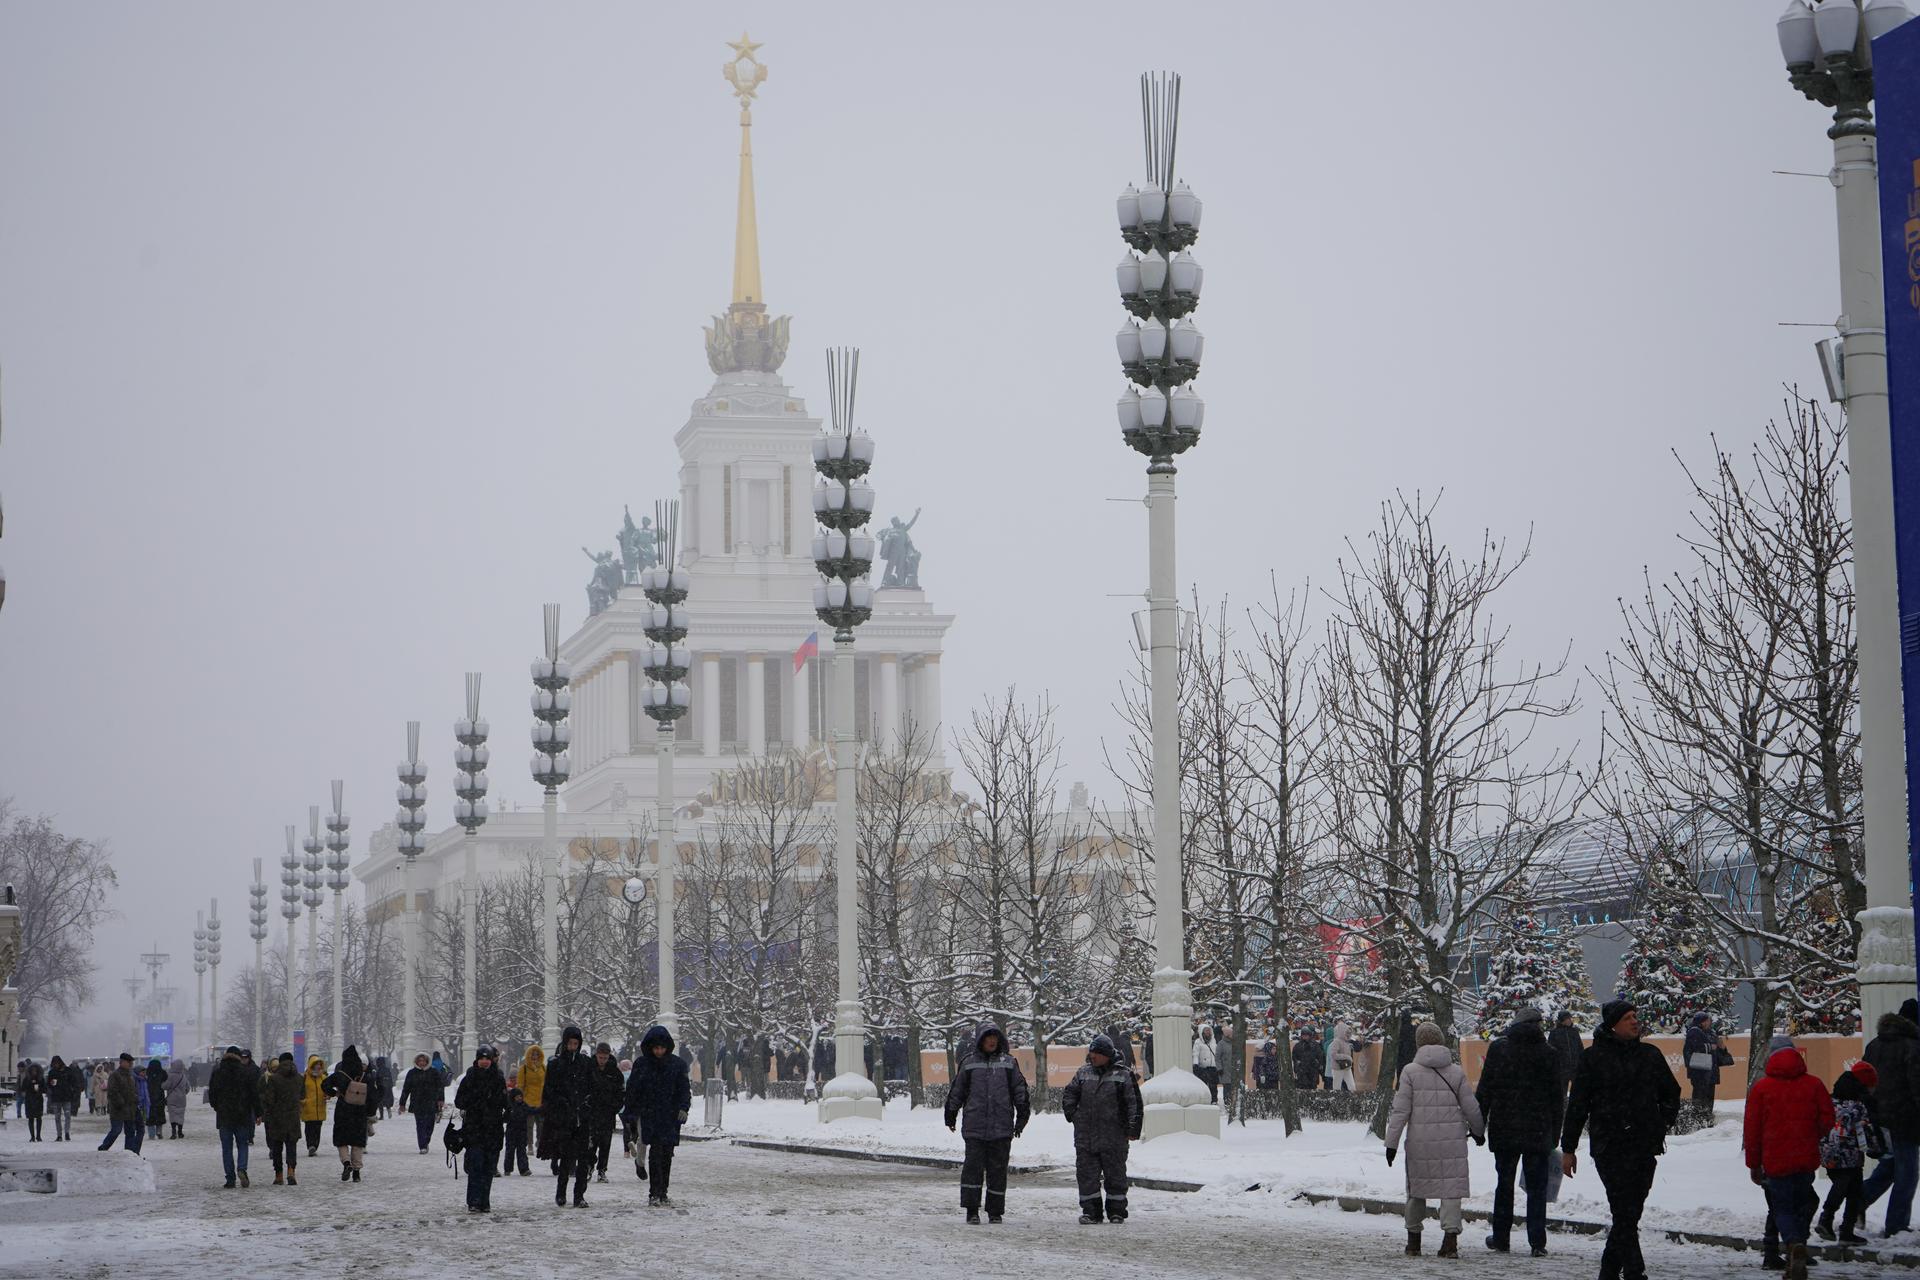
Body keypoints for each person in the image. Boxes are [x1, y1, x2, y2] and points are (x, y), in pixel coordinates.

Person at [1561, 998, 1681, 1280]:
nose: (1635, 1021)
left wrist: (1660, 1123)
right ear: (1613, 1024)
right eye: (1628, 1017)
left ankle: (1609, 1269)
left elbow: (1671, 1093)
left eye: (1635, 1016)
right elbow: (1578, 1105)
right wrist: (1568, 1148)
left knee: (1630, 1211)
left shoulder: (1650, 1055)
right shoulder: (1592, 1058)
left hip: (1643, 1145)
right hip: (1609, 1146)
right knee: (1623, 1208)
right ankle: (1635, 1272)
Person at [1385, 1022, 1485, 1258]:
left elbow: (1400, 1111)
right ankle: (1450, 1243)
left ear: (1419, 1043)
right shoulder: (1456, 1071)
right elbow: (1471, 1107)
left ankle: (1413, 1242)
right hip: (1453, 1142)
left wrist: (1391, 1144)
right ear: (1441, 1041)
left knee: (1417, 1190)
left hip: (1420, 1142)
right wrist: (1479, 1131)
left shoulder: (1410, 1072)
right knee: (1450, 1191)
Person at [1745, 1037, 1835, 1280]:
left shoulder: (1762, 1089)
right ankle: (1795, 1248)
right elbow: (1828, 1119)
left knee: (1781, 1207)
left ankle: (1793, 1245)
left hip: (1774, 1160)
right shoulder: (1814, 1085)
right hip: (1805, 1159)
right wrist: (1811, 1134)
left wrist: (1754, 1163)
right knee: (1803, 1202)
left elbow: (1752, 1130)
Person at [1474, 1006, 1561, 1258]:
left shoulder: (1499, 1049)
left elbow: (1485, 1090)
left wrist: (1478, 1126)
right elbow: (1557, 1099)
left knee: (1504, 1184)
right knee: (1536, 1188)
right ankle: (1537, 1241)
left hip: (1505, 1128)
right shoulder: (1549, 1054)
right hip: (1538, 1129)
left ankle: (1501, 1237)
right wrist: (1556, 1133)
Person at [944, 1022, 1031, 1225]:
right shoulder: (969, 1063)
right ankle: (972, 1210)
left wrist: (1022, 1117)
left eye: (995, 1037)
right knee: (972, 1170)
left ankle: (995, 1211)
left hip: (1001, 1127)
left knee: (998, 1171)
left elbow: (1020, 1091)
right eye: (987, 1037)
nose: (992, 1041)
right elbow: (958, 1091)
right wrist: (950, 1113)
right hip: (975, 1127)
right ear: (980, 1040)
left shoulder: (1009, 1063)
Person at [1060, 1033, 1142, 1224]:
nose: (1092, 1056)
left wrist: (1133, 1128)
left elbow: (1134, 1103)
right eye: (1091, 1053)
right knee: (1087, 1175)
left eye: (1096, 1053)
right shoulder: (1083, 1073)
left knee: (1115, 1175)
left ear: (1106, 1054)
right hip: (1085, 1136)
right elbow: (1069, 1094)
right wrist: (1073, 1114)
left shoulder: (1123, 1075)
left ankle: (1116, 1211)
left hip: (1114, 1136)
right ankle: (1091, 1211)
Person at [1861, 999, 1920, 1236]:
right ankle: (1896, 1225)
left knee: (1889, 1168)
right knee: (1907, 1173)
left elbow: (1864, 1079)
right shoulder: (1913, 1047)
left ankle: (1855, 1206)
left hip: (1880, 1117)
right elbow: (1917, 1086)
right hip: (1905, 1119)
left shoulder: (1875, 1044)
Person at [623, 1023, 692, 1207]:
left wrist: (684, 1107)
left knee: (667, 1154)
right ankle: (655, 1192)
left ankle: (663, 1191)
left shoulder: (677, 1065)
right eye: (656, 1048)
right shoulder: (642, 1065)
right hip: (650, 1114)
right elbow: (633, 1091)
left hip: (670, 1116)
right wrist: (630, 1113)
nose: (659, 1051)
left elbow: (684, 1090)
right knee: (655, 1153)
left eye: (662, 1048)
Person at [1817, 1061, 1881, 1246]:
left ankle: (1837, 1226)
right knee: (1850, 1188)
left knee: (1846, 1187)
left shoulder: (1831, 1101)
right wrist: (1875, 1149)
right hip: (1849, 1155)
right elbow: (1865, 1132)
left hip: (1827, 1152)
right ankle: (1834, 1223)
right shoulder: (1859, 1106)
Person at [542, 1026, 599, 1207]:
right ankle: (561, 1192)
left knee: (583, 1158)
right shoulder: (556, 1064)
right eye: (570, 1043)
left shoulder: (585, 1063)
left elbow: (592, 1086)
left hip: (582, 1116)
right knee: (566, 1157)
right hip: (564, 1117)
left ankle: (579, 1195)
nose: (573, 1047)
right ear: (565, 1043)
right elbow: (550, 1091)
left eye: (576, 1043)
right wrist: (561, 1104)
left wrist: (587, 1102)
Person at [455, 1045, 509, 1213]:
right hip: (475, 1128)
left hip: (493, 1128)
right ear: (477, 1060)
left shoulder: (498, 1077)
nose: (485, 1061)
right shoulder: (470, 1077)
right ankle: (473, 1200)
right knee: (476, 1165)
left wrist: (505, 1107)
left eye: (487, 1058)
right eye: (482, 1058)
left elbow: (504, 1101)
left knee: (489, 1167)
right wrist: (475, 1101)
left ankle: (485, 1201)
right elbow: (459, 1101)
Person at [208, 1045, 258, 1188]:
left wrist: (217, 1106)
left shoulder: (218, 1072)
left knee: (227, 1148)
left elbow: (212, 1093)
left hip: (224, 1115)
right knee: (243, 1144)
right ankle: (242, 1168)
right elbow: (253, 1094)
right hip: (242, 1114)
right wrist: (257, 1111)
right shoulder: (245, 1072)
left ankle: (230, 1178)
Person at [324, 1044, 374, 1182]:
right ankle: (357, 1173)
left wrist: (334, 1093)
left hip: (343, 1111)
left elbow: (324, 1084)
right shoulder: (365, 1076)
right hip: (359, 1111)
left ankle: (346, 1163)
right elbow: (372, 1095)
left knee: (342, 1140)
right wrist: (370, 1111)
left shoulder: (340, 1075)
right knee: (357, 1142)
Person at [258, 1052, 303, 1186]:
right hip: (293, 1117)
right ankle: (291, 1171)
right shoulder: (299, 1078)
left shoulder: (273, 1079)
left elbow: (269, 1099)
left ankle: (279, 1175)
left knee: (277, 1147)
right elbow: (302, 1095)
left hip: (277, 1117)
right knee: (291, 1146)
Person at [589, 1042, 625, 1183]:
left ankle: (602, 1170)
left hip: (608, 1113)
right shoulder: (589, 1069)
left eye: (605, 1057)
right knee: (591, 1143)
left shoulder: (615, 1073)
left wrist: (615, 1107)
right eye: (600, 1057)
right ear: (596, 1055)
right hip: (592, 1112)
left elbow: (621, 1093)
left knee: (605, 1143)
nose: (602, 1060)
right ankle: (589, 1165)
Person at [398, 1052, 444, 1154]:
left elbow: (440, 1087)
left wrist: (441, 1099)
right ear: (416, 1062)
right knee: (420, 1125)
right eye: (420, 1061)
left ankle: (426, 1140)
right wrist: (402, 1103)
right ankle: (422, 1145)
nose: (422, 1063)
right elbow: (406, 1089)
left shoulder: (433, 1072)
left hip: (431, 1102)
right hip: (417, 1103)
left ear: (427, 1061)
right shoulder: (412, 1073)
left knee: (430, 1125)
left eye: (423, 1061)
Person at [1683, 1011, 1724, 1122]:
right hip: (1700, 1071)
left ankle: (1707, 1117)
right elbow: (1696, 1048)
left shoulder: (1708, 1032)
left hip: (1708, 1070)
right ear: (1702, 1021)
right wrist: (1711, 1047)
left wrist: (1720, 1046)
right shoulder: (1694, 1032)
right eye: (1707, 1021)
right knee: (1700, 1095)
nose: (1709, 1022)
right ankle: (1699, 1119)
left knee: (1708, 1095)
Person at [100, 1053, 141, 1151]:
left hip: (130, 1109)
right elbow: (113, 1092)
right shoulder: (115, 1075)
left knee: (130, 1131)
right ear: (121, 1062)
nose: (130, 1064)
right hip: (118, 1109)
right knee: (116, 1130)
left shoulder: (130, 1075)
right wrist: (121, 1103)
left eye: (131, 1062)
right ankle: (104, 1147)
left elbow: (133, 1090)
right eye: (128, 1062)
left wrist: (135, 1099)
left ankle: (129, 1152)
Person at [518, 1043, 547, 1167]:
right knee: (529, 1126)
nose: (534, 1057)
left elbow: (546, 1084)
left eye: (536, 1055)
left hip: (540, 1101)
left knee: (541, 1125)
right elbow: (520, 1085)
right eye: (532, 1055)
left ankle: (539, 1142)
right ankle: (529, 1145)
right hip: (528, 1101)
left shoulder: (543, 1068)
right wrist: (520, 1098)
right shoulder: (523, 1069)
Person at [1548, 1010, 1584, 1095]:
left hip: (1575, 1067)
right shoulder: (1554, 1033)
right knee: (1561, 1092)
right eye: (1567, 1019)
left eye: (1570, 1018)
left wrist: (1581, 1061)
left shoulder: (1574, 1032)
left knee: (1578, 1091)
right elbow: (1551, 1050)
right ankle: (1563, 1106)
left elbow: (1580, 1047)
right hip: (1562, 1069)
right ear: (1562, 1020)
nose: (1570, 1020)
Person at [299, 1054, 329, 1156]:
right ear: (311, 1065)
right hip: (308, 1108)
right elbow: (300, 1091)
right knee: (309, 1129)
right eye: (316, 1064)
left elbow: (327, 1090)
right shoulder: (305, 1077)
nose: (318, 1066)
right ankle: (311, 1146)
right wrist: (303, 1101)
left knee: (317, 1128)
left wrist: (327, 1096)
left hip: (319, 1108)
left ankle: (315, 1146)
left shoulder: (323, 1078)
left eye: (320, 1064)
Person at [47, 1055, 80, 1142]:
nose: (56, 1065)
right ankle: (59, 1134)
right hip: (56, 1097)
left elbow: (74, 1082)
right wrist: (51, 1086)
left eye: (57, 1063)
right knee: (57, 1117)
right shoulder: (52, 1072)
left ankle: (67, 1132)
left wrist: (73, 1091)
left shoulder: (68, 1071)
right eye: (54, 1063)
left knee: (67, 1116)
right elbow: (49, 1084)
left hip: (66, 1097)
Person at [503, 1084, 533, 1176]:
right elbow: (504, 1118)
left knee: (522, 1152)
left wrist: (541, 1109)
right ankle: (508, 1169)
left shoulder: (524, 1106)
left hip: (522, 1133)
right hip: (511, 1133)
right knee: (509, 1152)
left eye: (521, 1096)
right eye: (517, 1097)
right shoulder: (509, 1107)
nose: (519, 1098)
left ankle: (524, 1169)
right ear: (513, 1098)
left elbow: (531, 1111)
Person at [1192, 1024, 1221, 1104]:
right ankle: (1204, 1100)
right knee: (1203, 1085)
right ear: (1202, 1032)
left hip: (1213, 1067)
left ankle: (1214, 1100)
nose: (1208, 1032)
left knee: (1213, 1086)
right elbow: (1195, 1054)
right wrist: (1195, 1064)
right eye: (1206, 1030)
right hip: (1203, 1068)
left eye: (1209, 1030)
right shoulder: (1198, 1042)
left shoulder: (1214, 1041)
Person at [18, 1060, 45, 1141]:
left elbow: (44, 1088)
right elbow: (23, 1088)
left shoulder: (41, 1079)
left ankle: (38, 1136)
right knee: (31, 1118)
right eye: (32, 1070)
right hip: (29, 1100)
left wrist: (39, 1090)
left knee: (39, 1118)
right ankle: (32, 1136)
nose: (34, 1072)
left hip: (38, 1100)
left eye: (35, 1070)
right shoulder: (27, 1079)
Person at [1327, 1017, 1356, 1092]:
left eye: (1349, 1033)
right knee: (1337, 1087)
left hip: (1347, 1066)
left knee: (1352, 1086)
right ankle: (1336, 1101)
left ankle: (1353, 1100)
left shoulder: (1347, 1042)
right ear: (1342, 1032)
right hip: (1337, 1067)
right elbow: (1333, 1054)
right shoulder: (1336, 1041)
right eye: (1347, 1032)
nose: (1348, 1034)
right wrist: (1346, 1057)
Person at [1292, 1027, 1324, 1092]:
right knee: (1303, 1091)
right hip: (1302, 1072)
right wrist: (1297, 1067)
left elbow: (1320, 1056)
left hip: (1313, 1071)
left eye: (1306, 1035)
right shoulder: (1298, 1046)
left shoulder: (1315, 1045)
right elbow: (1294, 1058)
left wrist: (1317, 1064)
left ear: (1309, 1035)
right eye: (1303, 1035)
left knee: (1313, 1090)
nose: (1305, 1037)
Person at [165, 1060, 189, 1138]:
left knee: (173, 1115)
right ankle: (180, 1132)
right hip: (182, 1099)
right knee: (180, 1115)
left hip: (172, 1099)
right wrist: (182, 1093)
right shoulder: (183, 1076)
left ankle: (173, 1132)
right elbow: (187, 1088)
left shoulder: (170, 1076)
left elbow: (165, 1086)